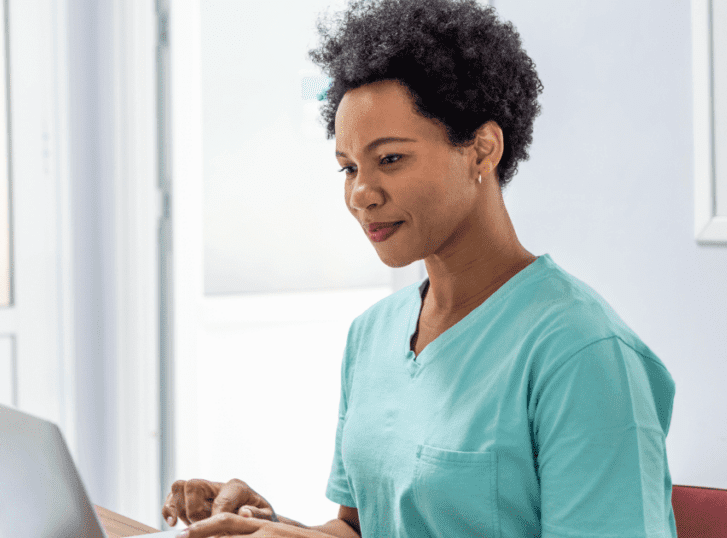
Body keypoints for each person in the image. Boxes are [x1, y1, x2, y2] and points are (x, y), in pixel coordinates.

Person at [162, 0, 677, 536]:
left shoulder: (583, 354)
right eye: (348, 167)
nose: (361, 193)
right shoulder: (374, 335)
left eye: (390, 159)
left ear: (481, 149)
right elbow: (367, 530)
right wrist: (262, 526)